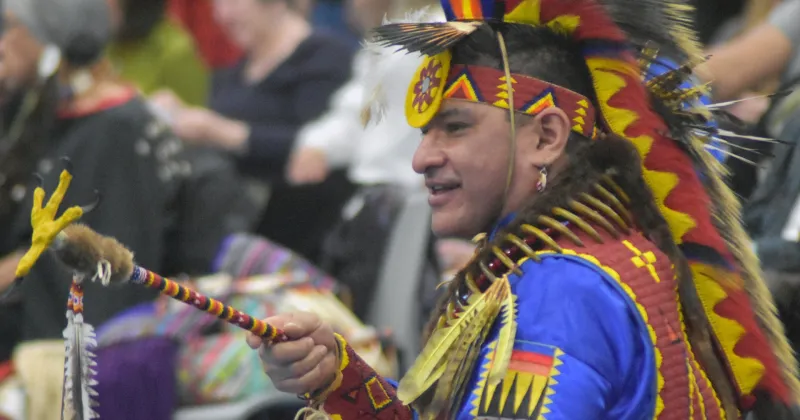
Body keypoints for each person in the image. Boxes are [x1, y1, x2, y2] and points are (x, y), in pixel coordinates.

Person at [247, 0, 800, 419]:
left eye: (455, 127)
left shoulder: (560, 291)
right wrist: (341, 380)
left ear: (547, 136)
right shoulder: (614, 251)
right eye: (423, 133)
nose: (421, 158)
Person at [0, 0, 255, 417]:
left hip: (74, 342)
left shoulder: (115, 130)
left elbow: (93, 275)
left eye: (13, 28)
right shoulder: (51, 110)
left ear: (50, 35)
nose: (3, 42)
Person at [155, 0, 357, 263]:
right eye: (217, 5)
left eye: (233, 3)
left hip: (293, 233)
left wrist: (220, 131)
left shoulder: (325, 56)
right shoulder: (236, 68)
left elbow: (320, 149)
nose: (222, 15)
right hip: (224, 225)